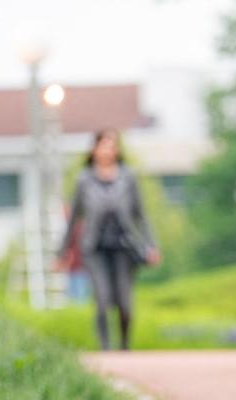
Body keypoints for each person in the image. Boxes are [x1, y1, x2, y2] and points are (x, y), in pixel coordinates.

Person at [59, 129, 160, 350]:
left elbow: (141, 215)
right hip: (95, 248)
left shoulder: (128, 177)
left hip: (124, 246)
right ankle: (106, 349)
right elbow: (74, 217)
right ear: (94, 150)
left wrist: (151, 245)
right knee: (103, 300)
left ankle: (124, 345)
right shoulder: (83, 179)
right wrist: (63, 252)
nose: (107, 151)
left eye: (112, 146)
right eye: (103, 145)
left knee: (125, 304)